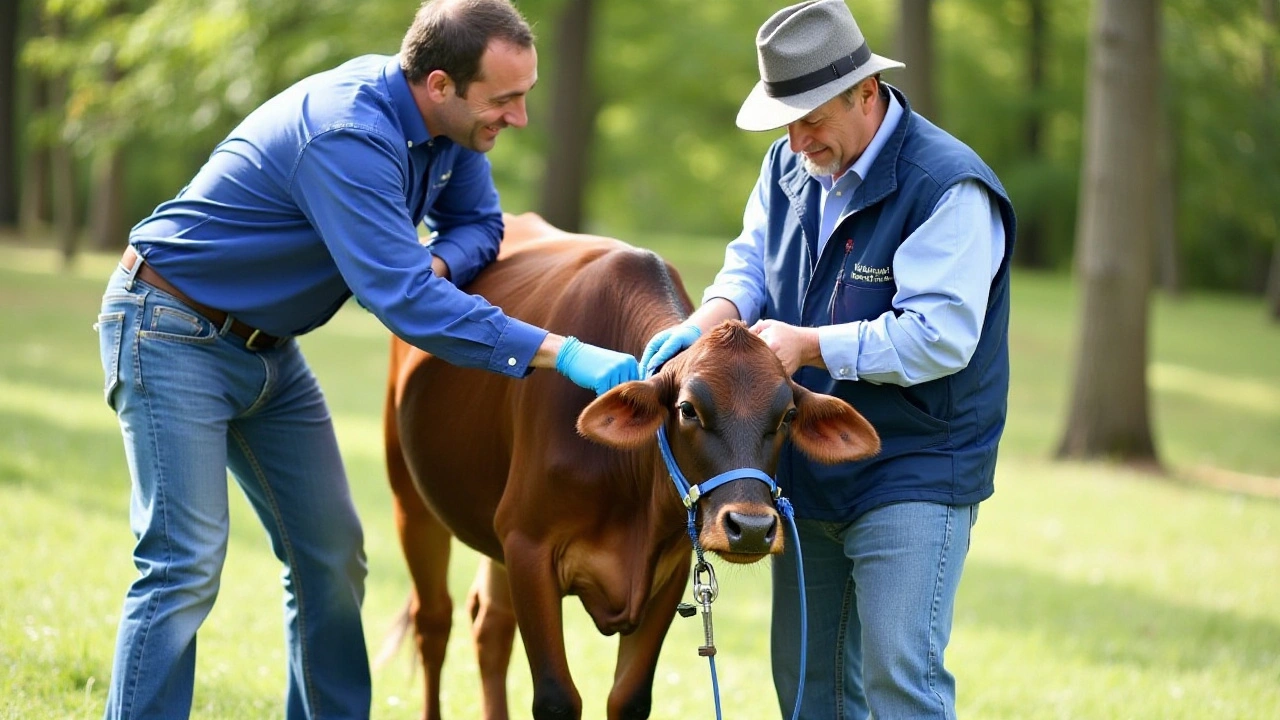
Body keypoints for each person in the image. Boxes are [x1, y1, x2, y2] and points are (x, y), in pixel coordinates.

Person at [94, 0, 639, 717]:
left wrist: (436, 265)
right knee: (182, 566)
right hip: (169, 331)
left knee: (332, 557)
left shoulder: (452, 138)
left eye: (526, 96)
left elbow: (479, 226)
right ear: (440, 84)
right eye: (504, 99)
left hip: (268, 351)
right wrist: (562, 353)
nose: (519, 118)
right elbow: (406, 307)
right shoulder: (348, 134)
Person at [641, 1, 1017, 717]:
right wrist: (710, 318)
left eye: (811, 117)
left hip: (915, 466)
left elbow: (940, 335)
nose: (796, 136)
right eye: (785, 118)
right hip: (803, 463)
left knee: (899, 681)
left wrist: (810, 345)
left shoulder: (947, 186)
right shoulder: (787, 163)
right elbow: (751, 263)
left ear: (866, 93)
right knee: (809, 689)